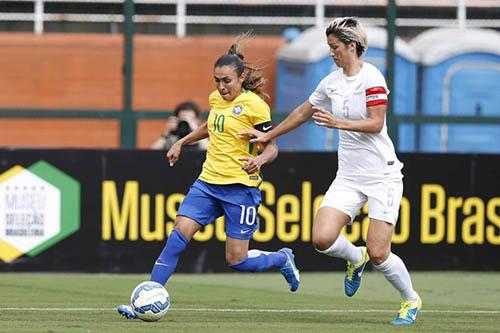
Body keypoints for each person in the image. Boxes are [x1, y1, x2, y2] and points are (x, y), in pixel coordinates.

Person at [240, 17, 421, 325]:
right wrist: (270, 135)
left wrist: (339, 123)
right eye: (329, 47)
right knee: (322, 239)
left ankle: (410, 299)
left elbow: (376, 123)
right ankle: (354, 258)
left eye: (335, 47)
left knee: (379, 251)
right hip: (349, 176)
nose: (331, 53)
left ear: (352, 46)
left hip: (383, 175)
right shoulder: (331, 81)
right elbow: (302, 112)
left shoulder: (372, 78)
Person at [118, 33, 300, 320]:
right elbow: (210, 125)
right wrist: (182, 142)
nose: (220, 86)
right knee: (177, 236)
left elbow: (272, 146)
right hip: (208, 183)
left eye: (226, 80)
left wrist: (259, 159)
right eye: (217, 80)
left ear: (240, 78)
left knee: (236, 260)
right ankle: (145, 300)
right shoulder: (216, 99)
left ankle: (281, 258)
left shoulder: (255, 106)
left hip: (240, 188)